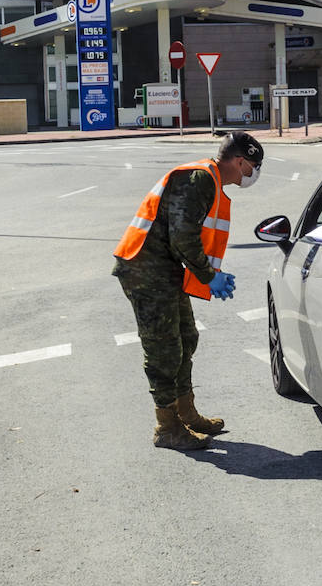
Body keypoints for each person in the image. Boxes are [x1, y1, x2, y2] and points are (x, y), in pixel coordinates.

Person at [112, 131, 264, 450]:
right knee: (164, 348)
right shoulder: (200, 180)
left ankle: (185, 412)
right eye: (253, 166)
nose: (253, 174)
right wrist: (209, 276)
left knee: (186, 337)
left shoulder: (208, 180)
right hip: (145, 269)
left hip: (165, 269)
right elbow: (183, 238)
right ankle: (166, 427)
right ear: (239, 161)